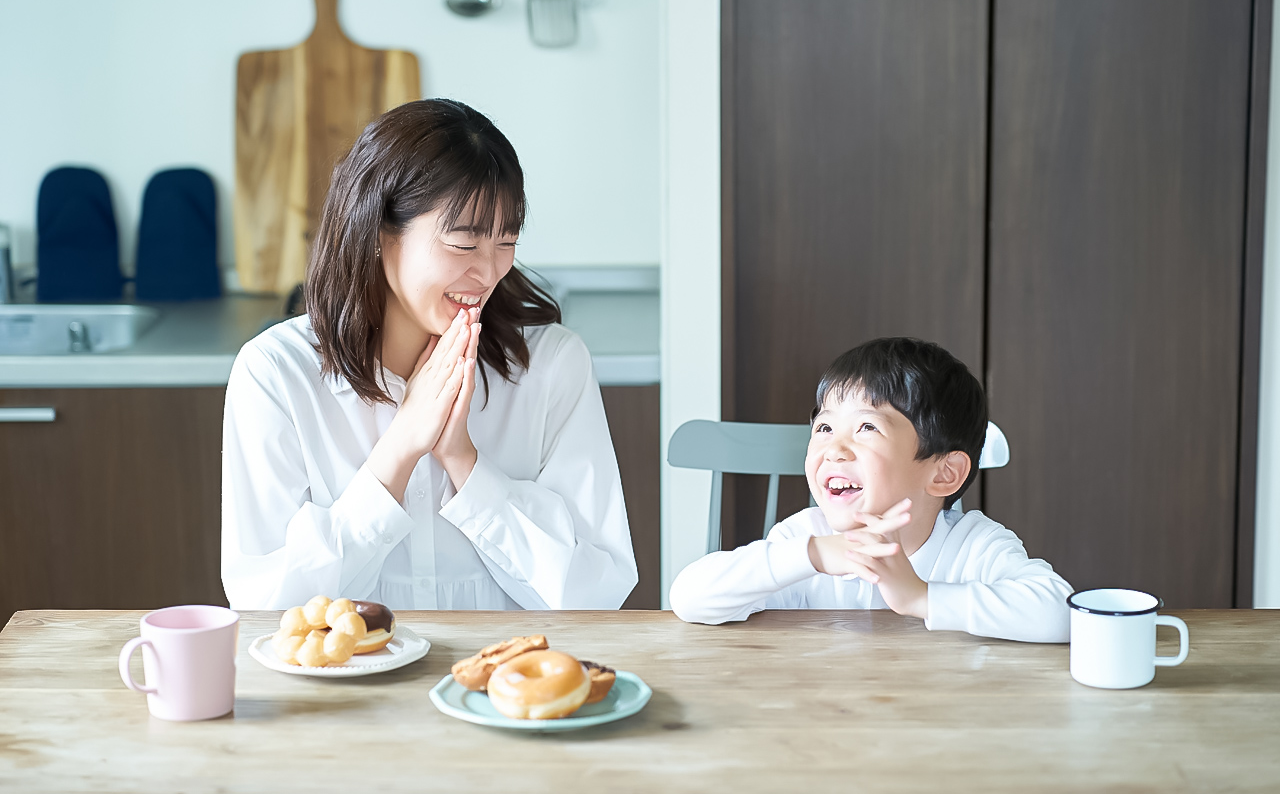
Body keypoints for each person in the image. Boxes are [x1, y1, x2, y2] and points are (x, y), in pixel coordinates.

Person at [221, 98, 638, 611]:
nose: (488, 273)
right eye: (463, 246)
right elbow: (265, 606)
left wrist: (464, 461)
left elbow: (598, 593)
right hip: (347, 691)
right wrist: (399, 450)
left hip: (505, 687)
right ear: (378, 232)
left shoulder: (552, 364)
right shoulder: (274, 373)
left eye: (505, 242)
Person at [669, 337, 1071, 642]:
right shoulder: (807, 539)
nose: (834, 449)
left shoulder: (972, 546)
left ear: (945, 473)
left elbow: (1062, 614)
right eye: (824, 427)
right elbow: (689, 597)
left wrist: (919, 597)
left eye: (866, 427)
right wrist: (815, 554)